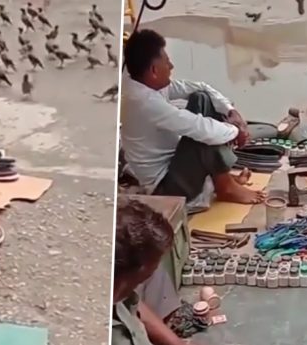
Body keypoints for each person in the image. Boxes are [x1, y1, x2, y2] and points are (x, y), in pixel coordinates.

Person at [120, 29, 264, 207]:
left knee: (201, 98)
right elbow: (202, 129)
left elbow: (199, 87)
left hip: (176, 167)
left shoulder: (143, 82)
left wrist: (231, 112)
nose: (171, 66)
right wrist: (237, 131)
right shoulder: (143, 101)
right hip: (166, 189)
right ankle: (226, 187)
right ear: (154, 70)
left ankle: (223, 180)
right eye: (167, 62)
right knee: (205, 135)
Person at [112, 197, 193, 345]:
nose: (156, 267)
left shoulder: (120, 290)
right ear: (141, 269)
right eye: (154, 263)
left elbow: (133, 304)